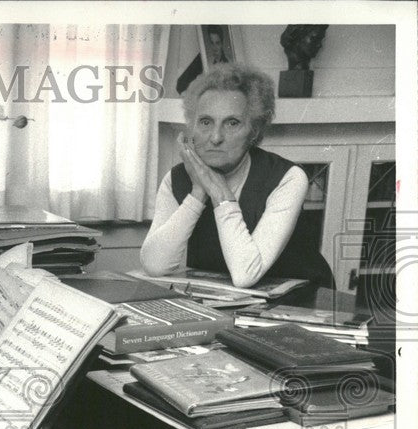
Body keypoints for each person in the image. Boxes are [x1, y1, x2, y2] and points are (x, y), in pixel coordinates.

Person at [143, 63, 334, 289]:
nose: (215, 137)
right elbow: (154, 265)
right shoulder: (176, 179)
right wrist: (197, 193)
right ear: (192, 126)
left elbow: (246, 275)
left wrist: (219, 192)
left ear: (253, 131)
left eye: (232, 123)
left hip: (302, 301)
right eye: (205, 122)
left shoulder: (288, 178)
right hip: (231, 302)